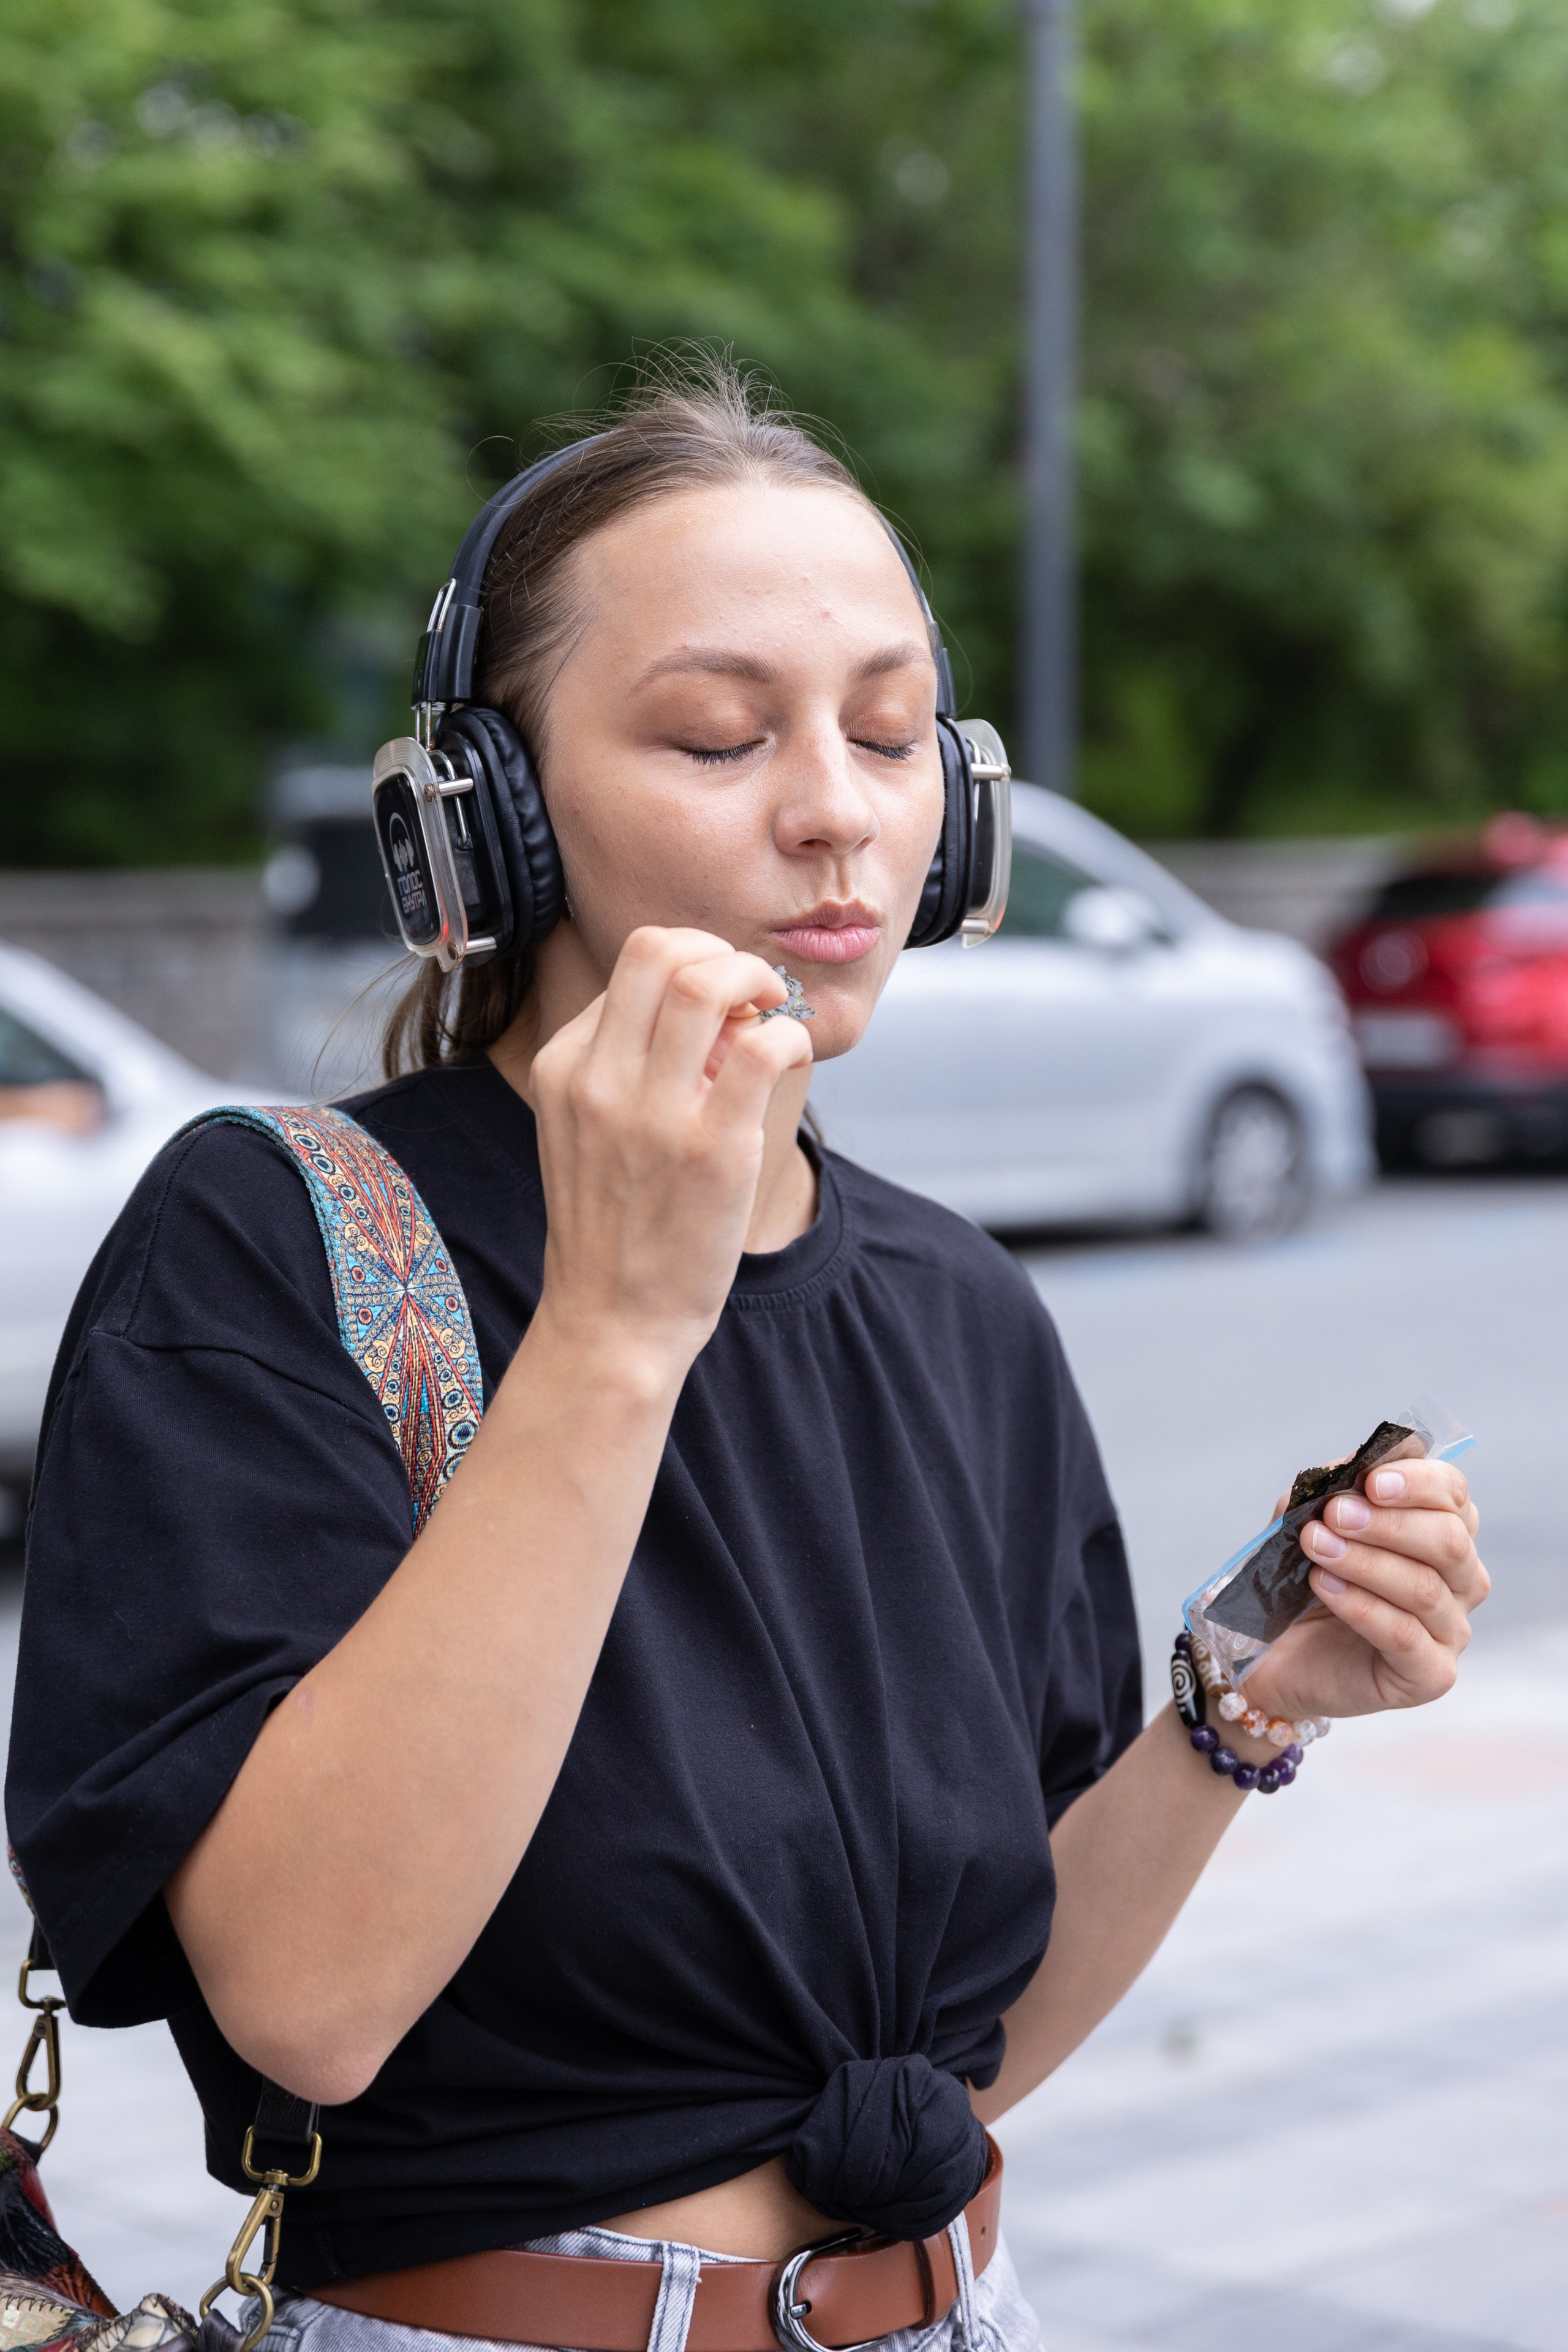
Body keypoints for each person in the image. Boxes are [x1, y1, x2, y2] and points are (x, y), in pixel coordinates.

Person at [6, 366, 1487, 2352]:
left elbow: (953, 2054)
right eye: (717, 736)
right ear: (486, 817)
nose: (835, 812)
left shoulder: (962, 1307)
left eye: (888, 733)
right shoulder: (277, 1242)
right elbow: (312, 2001)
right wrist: (619, 1327)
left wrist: (1240, 1720)